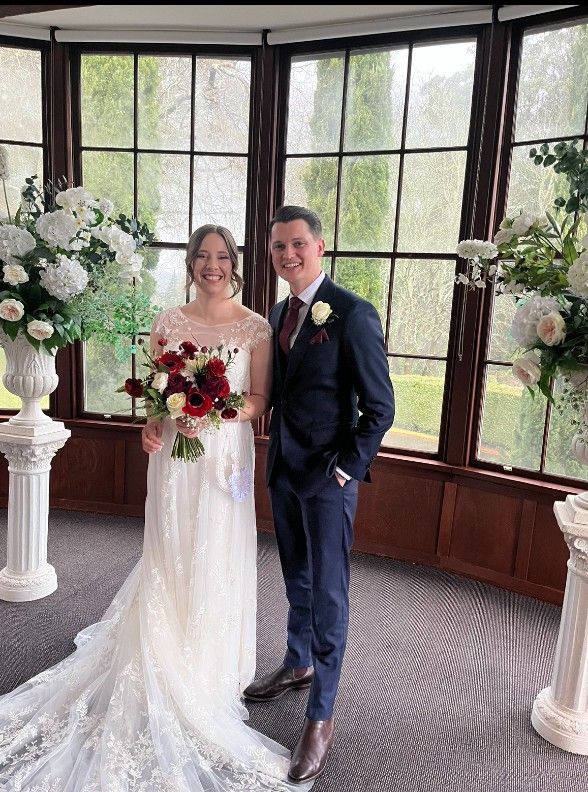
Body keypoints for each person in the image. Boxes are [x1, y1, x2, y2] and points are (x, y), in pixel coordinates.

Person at [0, 224, 312, 791]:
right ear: (190, 263)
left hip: (222, 455)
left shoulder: (256, 327)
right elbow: (155, 392)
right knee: (170, 547)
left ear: (235, 265)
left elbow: (261, 400)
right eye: (202, 257)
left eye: (221, 258)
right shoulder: (168, 322)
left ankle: (212, 659)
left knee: (215, 544)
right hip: (173, 455)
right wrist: (153, 423)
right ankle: (163, 647)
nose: (211, 266)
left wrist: (216, 411)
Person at [243, 206, 395, 784]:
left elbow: (380, 408)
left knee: (329, 592)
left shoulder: (353, 313)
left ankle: (321, 715)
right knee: (295, 577)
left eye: (297, 243)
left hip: (329, 480)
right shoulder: (279, 313)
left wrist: (345, 471)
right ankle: (297, 660)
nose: (288, 254)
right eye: (279, 246)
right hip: (283, 470)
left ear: (320, 245)